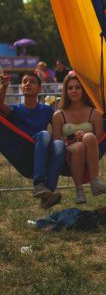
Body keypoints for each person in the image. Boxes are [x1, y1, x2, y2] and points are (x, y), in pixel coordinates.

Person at [0, 72, 65, 208]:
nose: (28, 84)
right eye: (25, 82)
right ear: (21, 88)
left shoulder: (47, 110)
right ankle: (39, 183)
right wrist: (4, 85)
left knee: (59, 144)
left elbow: (60, 129)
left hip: (42, 153)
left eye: (32, 82)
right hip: (24, 153)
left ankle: (47, 194)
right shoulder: (16, 110)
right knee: (43, 134)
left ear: (39, 89)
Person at [52, 72, 106, 204]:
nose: (74, 91)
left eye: (77, 87)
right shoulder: (58, 115)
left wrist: (84, 136)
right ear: (65, 91)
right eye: (70, 88)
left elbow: (99, 139)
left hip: (90, 150)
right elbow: (55, 142)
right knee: (79, 146)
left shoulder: (94, 113)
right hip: (67, 152)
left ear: (83, 90)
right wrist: (67, 141)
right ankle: (79, 190)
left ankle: (95, 183)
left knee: (88, 138)